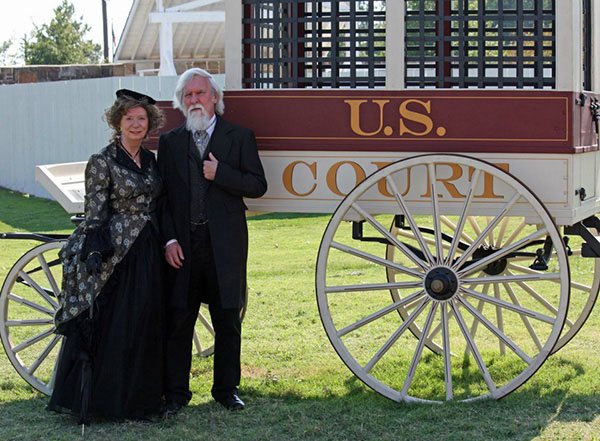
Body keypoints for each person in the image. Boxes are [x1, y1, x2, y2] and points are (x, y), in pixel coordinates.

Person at [47, 89, 166, 423]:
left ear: (149, 123)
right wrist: (96, 249)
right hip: (117, 252)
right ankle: (108, 403)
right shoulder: (102, 161)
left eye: (142, 119)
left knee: (144, 321)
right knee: (117, 324)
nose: (136, 124)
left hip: (147, 248)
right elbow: (95, 212)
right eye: (129, 118)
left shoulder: (150, 159)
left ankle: (140, 401)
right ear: (117, 121)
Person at [158, 68, 267, 413]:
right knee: (179, 320)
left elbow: (257, 185)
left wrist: (222, 174)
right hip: (184, 247)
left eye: (200, 94)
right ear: (181, 102)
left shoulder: (239, 137)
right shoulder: (171, 142)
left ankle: (226, 390)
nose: (194, 101)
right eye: (188, 95)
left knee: (227, 319)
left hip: (225, 245)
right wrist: (169, 239)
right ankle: (176, 393)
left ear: (215, 98)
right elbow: (161, 199)